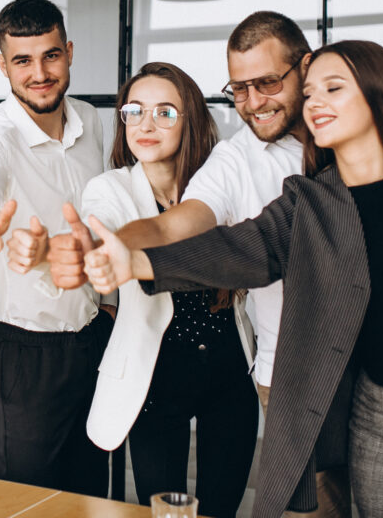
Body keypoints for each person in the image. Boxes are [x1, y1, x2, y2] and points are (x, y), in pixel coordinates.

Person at [84, 40, 383, 518]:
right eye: (310, 93)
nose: (313, 102)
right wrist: (136, 260)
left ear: (379, 92)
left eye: (332, 89)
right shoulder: (311, 200)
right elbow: (240, 248)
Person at [51, 10, 349, 517]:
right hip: (267, 373)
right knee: (312, 507)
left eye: (268, 83)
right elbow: (172, 227)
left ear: (305, 69)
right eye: (239, 89)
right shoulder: (232, 162)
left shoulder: (345, 140)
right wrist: (114, 249)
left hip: (269, 366)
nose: (253, 101)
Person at [0, 0, 111, 496]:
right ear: (2, 65)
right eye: (22, 60)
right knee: (25, 497)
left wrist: (105, 308)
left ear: (69, 51)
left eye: (50, 56)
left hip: (92, 337)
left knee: (90, 492)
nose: (39, 73)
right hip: (23, 352)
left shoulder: (92, 120)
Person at [79, 63, 257, 518]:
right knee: (163, 512)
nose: (146, 124)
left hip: (228, 370)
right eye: (134, 111)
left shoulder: (218, 183)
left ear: (190, 119)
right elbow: (106, 233)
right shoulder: (109, 189)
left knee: (221, 509)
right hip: (155, 376)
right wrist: (95, 248)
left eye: (165, 112)